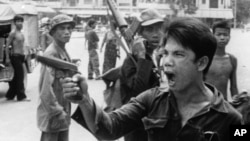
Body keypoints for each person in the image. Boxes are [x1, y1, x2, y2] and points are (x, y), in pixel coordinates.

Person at [61, 17, 243, 141]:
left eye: (179, 54)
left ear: (201, 63)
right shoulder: (151, 99)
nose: (167, 62)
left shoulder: (234, 119)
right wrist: (84, 99)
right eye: (165, 53)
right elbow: (109, 128)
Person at [37, 14, 75, 141]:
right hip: (54, 114)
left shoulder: (63, 51)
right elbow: (45, 91)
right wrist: (58, 111)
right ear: (53, 32)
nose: (67, 32)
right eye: (62, 28)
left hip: (63, 112)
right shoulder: (51, 54)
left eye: (69, 28)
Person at [205, 20, 239, 101]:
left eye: (225, 34)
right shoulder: (205, 58)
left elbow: (233, 87)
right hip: (205, 105)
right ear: (212, 36)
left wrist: (237, 99)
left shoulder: (232, 59)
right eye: (219, 34)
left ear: (229, 37)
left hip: (223, 105)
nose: (222, 38)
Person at [5, 15, 30, 101]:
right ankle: (21, 96)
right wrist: (7, 58)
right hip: (15, 57)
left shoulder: (21, 33)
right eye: (17, 21)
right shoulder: (13, 33)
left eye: (20, 21)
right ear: (14, 23)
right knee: (20, 76)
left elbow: (23, 45)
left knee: (16, 77)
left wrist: (26, 53)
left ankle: (10, 95)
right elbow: (7, 46)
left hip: (21, 57)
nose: (19, 23)